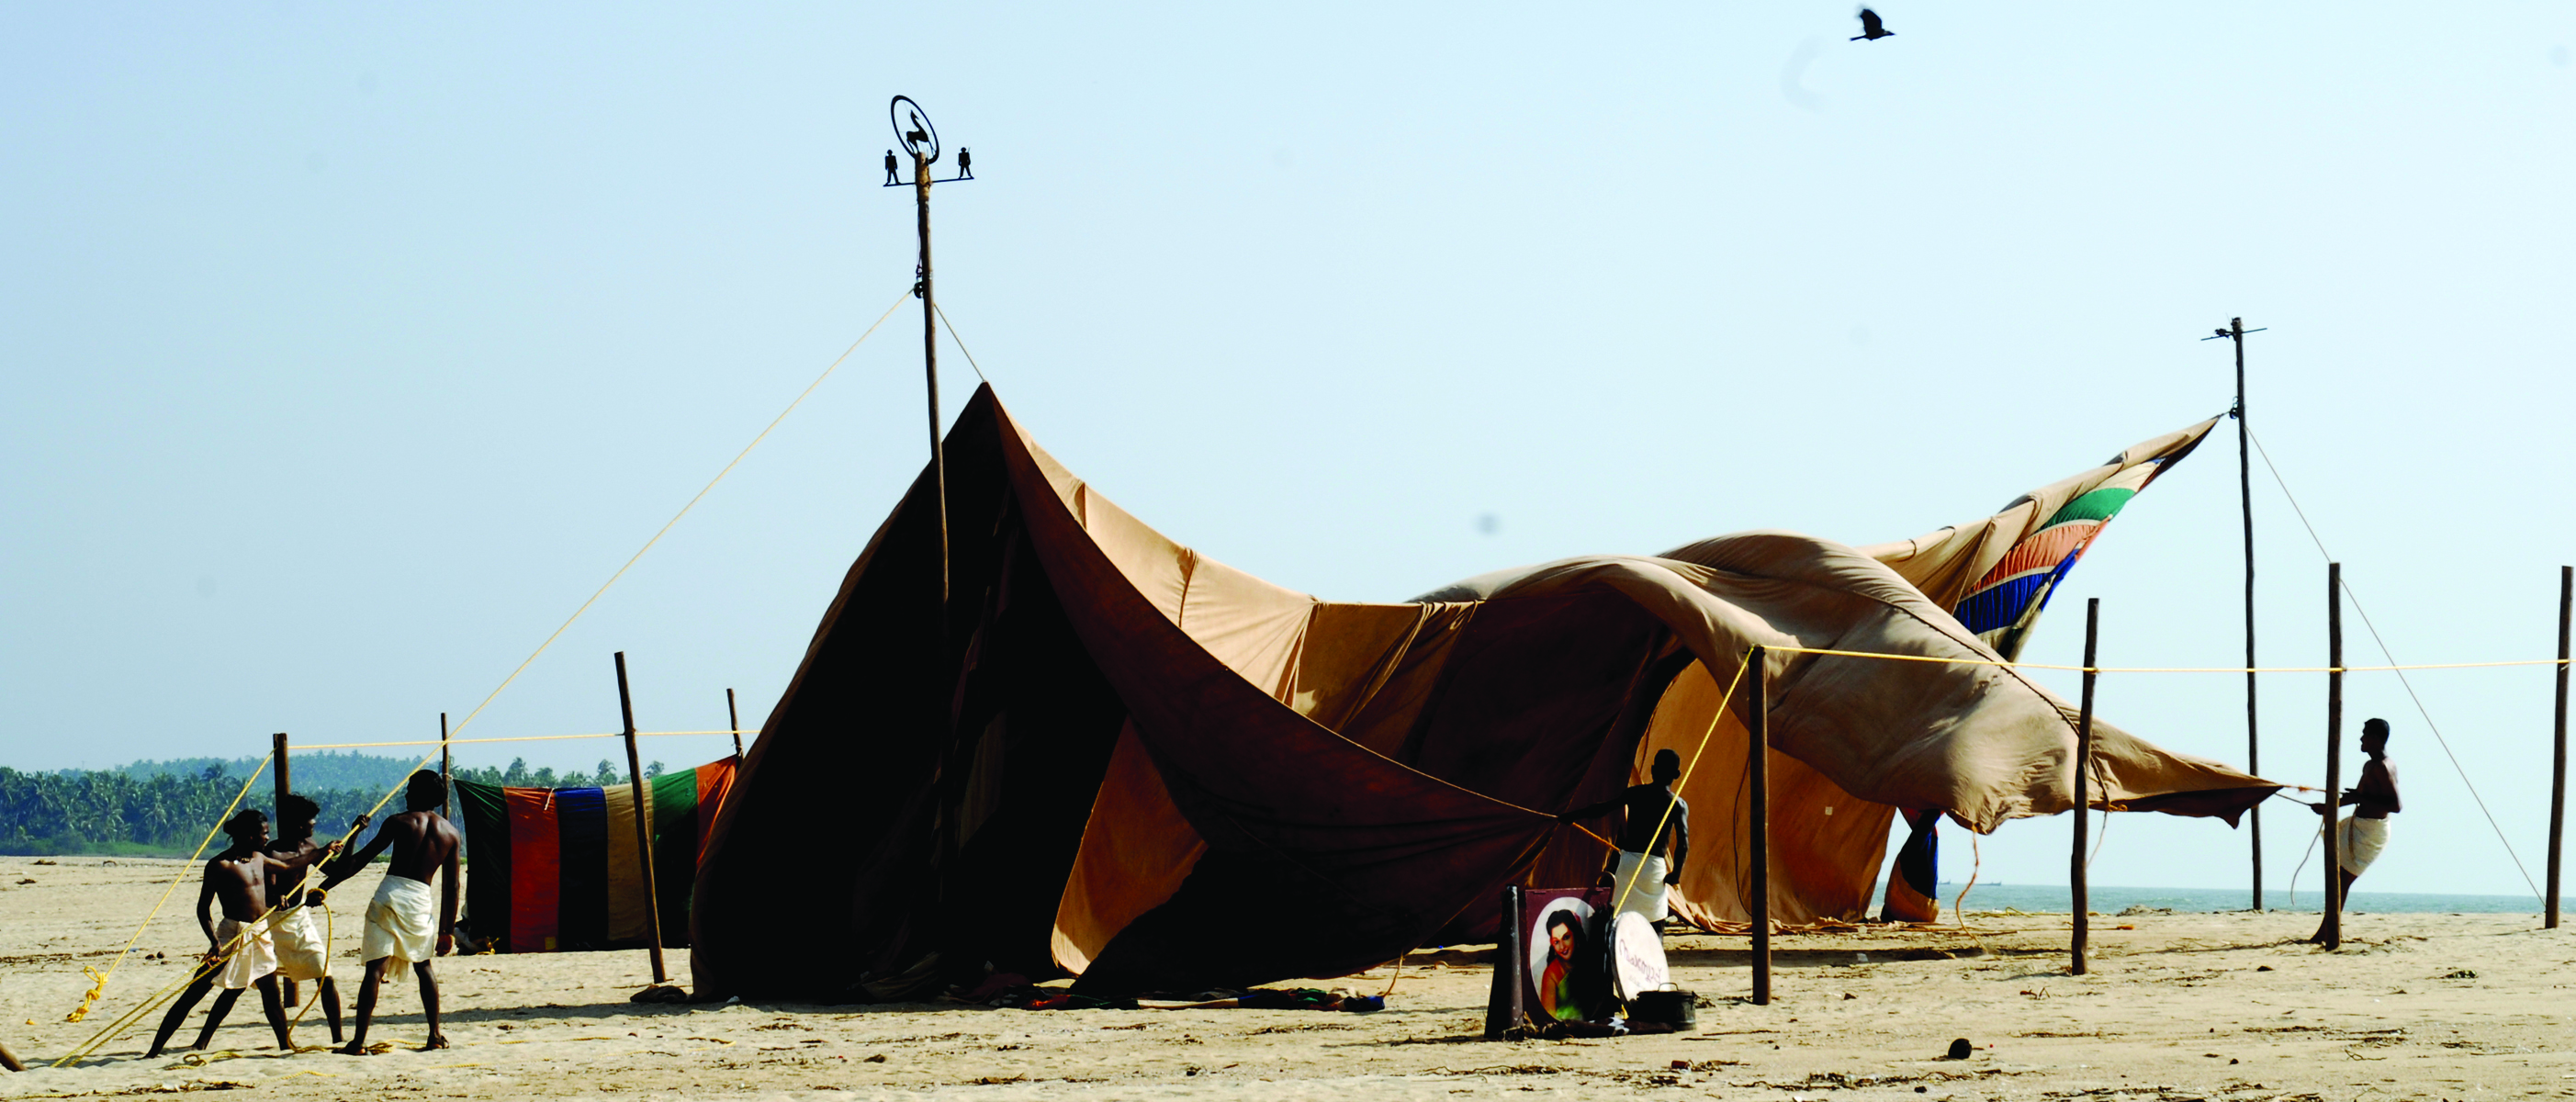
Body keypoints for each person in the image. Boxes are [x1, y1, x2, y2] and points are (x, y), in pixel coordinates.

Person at [144, 809, 335, 1057]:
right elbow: (203, 909)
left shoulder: (258, 858)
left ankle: (285, 1046)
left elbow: (288, 866)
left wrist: (322, 852)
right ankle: (153, 1051)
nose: (267, 838)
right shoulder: (220, 865)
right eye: (264, 833)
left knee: (271, 994)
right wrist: (214, 942)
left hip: (259, 932)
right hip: (231, 933)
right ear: (249, 836)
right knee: (195, 992)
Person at [314, 770, 460, 1053]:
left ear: (419, 794)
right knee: (423, 966)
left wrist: (323, 888)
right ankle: (434, 1034)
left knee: (374, 970)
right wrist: (447, 930)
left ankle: (358, 1042)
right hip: (420, 902)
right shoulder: (451, 833)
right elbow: (452, 886)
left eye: (410, 789)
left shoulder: (399, 822)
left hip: (390, 897)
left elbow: (357, 862)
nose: (405, 794)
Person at [1558, 748, 1691, 924]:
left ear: (1652, 770)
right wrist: (1676, 874)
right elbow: (1683, 843)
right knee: (1655, 924)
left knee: (1621, 919)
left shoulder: (1634, 793)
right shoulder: (1678, 804)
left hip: (1628, 864)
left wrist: (1573, 815)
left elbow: (1602, 809)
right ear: (1677, 774)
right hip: (1653, 869)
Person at [2311, 717, 2402, 942]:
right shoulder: (2369, 765)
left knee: (2342, 880)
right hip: (2358, 824)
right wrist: (2328, 807)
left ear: (2376, 738)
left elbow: (2395, 806)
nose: (2361, 739)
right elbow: (2358, 797)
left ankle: (2327, 931)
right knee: (2336, 876)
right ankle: (2328, 930)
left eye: (2365, 734)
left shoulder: (2383, 766)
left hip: (2371, 831)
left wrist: (2361, 798)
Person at [265, 793, 345, 1044]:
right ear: (299, 825)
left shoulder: (311, 846)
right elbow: (270, 887)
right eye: (311, 821)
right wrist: (276, 895)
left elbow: (336, 871)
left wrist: (351, 840)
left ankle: (338, 1038)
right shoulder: (273, 851)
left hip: (298, 918)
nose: (314, 824)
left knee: (325, 974)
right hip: (271, 922)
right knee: (266, 984)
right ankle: (284, 1042)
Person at [1536, 910, 1586, 1022]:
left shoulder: (1588, 961)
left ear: (1575, 935)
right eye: (1556, 942)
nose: (1562, 947)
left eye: (1566, 937)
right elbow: (1549, 1017)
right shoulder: (1551, 974)